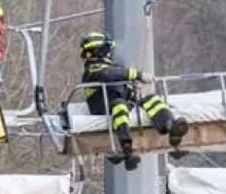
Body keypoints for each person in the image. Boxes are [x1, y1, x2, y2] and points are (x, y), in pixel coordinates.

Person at [78, 30, 189, 170]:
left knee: (151, 99)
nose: (110, 53)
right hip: (104, 108)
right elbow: (109, 75)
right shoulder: (93, 71)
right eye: (107, 49)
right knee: (119, 105)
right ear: (99, 51)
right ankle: (126, 148)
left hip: (122, 104)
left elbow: (119, 86)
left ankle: (171, 129)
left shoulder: (111, 69)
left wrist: (133, 91)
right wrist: (138, 75)